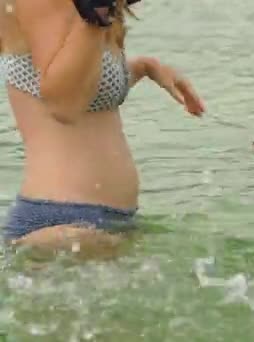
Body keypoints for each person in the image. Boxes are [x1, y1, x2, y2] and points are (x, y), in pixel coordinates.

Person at [1, 0, 204, 255]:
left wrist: (145, 67)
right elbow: (64, 105)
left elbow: (87, 89)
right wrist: (97, 10)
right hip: (63, 224)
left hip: (107, 221)